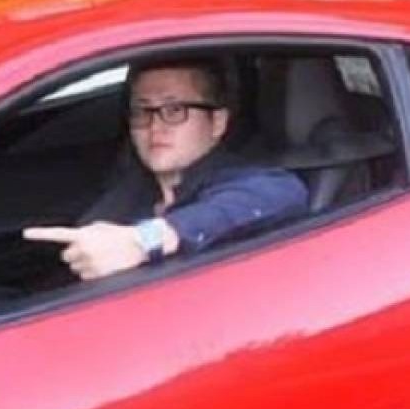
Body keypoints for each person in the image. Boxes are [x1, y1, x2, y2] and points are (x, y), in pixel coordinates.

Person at [24, 61, 308, 281]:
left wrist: (144, 241)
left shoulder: (245, 182)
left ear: (217, 122)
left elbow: (280, 193)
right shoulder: (130, 189)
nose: (155, 126)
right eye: (142, 112)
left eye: (174, 110)